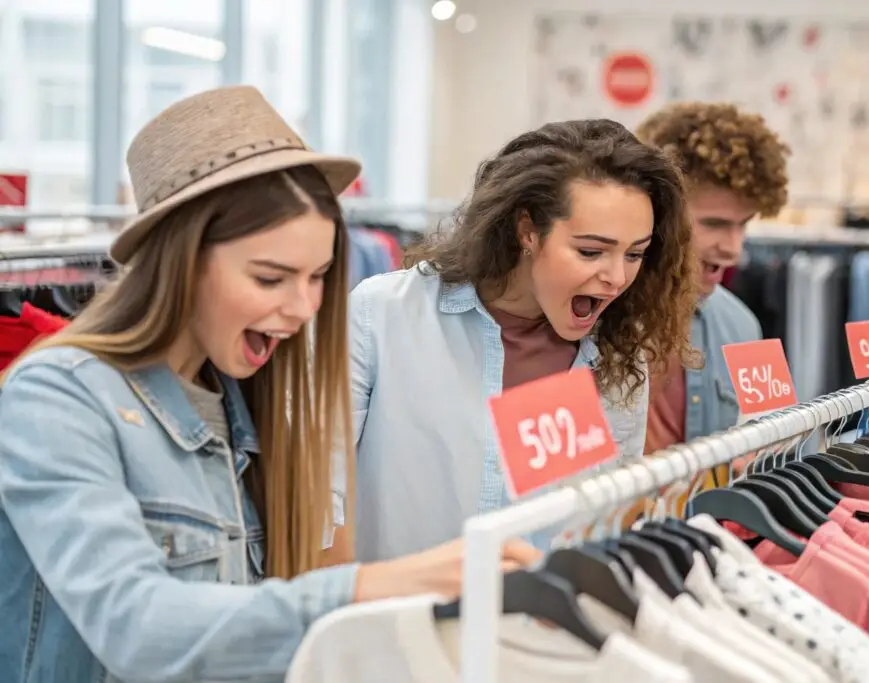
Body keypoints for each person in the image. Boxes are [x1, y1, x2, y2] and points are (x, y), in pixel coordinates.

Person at [0, 86, 539, 683]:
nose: (304, 307)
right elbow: (138, 625)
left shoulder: (247, 403)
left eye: (317, 278)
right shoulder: (56, 398)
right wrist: (375, 584)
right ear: (180, 261)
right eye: (270, 278)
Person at [339, 118, 702, 561]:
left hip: (537, 621)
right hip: (396, 619)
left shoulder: (618, 359)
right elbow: (322, 498)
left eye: (635, 254)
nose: (616, 277)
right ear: (527, 230)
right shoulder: (385, 314)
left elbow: (608, 516)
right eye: (591, 251)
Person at [635, 102, 791, 469]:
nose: (734, 249)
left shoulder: (742, 326)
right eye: (715, 224)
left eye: (744, 224)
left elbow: (778, 444)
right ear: (658, 212)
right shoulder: (591, 321)